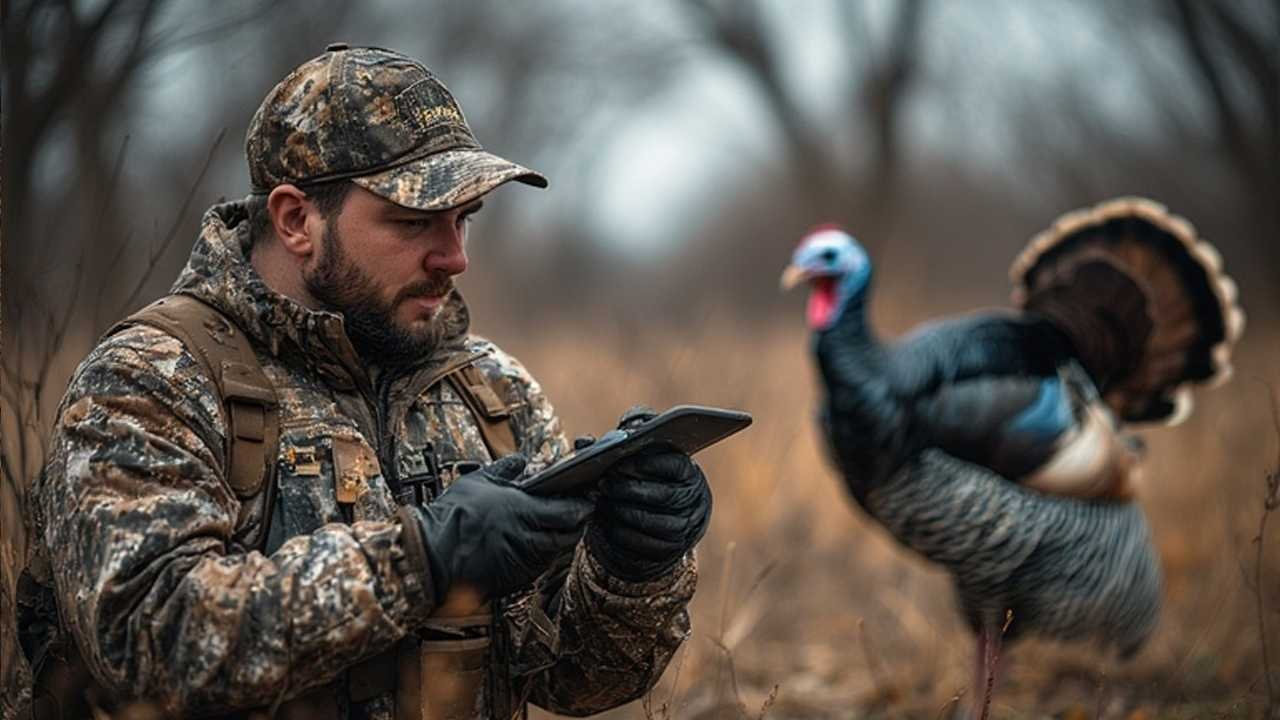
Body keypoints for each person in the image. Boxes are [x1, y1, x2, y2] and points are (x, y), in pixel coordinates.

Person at [27, 44, 712, 720]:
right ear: (298, 220)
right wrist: (424, 559)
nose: (455, 257)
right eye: (414, 221)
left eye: (463, 218)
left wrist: (632, 566)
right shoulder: (151, 381)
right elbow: (150, 642)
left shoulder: (490, 388)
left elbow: (574, 683)